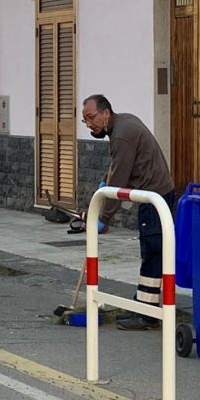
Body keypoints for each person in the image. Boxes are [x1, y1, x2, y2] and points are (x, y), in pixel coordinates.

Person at [81, 94, 175, 330]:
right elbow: (116, 169)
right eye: (85, 120)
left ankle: (147, 314)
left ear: (106, 113)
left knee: (152, 251)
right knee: (151, 250)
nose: (89, 124)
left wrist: (102, 218)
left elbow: (120, 178)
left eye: (91, 117)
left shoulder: (121, 134)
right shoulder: (122, 125)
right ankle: (144, 304)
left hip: (155, 196)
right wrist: (105, 183)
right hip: (154, 194)